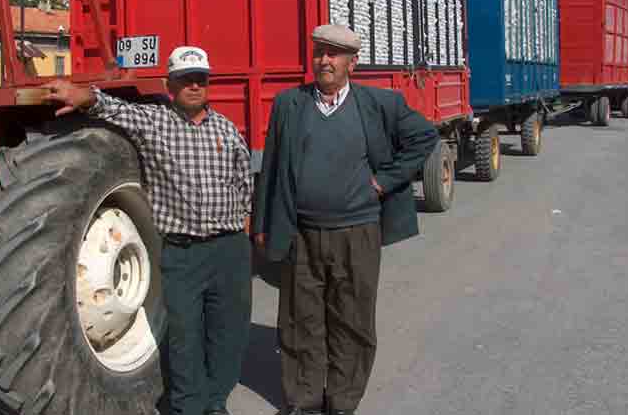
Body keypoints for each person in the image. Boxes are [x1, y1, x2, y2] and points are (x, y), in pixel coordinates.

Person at [43, 46, 253, 415]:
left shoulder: (226, 129)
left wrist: (243, 230)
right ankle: (188, 407)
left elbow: (242, 183)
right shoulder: (155, 122)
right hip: (183, 253)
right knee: (185, 338)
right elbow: (114, 109)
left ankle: (216, 402)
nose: (194, 85)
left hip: (229, 250)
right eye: (186, 79)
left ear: (208, 83)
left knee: (228, 334)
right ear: (170, 84)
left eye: (200, 79)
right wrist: (85, 95)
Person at [252, 24, 439, 415]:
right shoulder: (290, 104)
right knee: (301, 320)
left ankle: (342, 401)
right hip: (302, 231)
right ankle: (304, 401)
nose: (324, 60)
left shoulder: (378, 104)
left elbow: (424, 137)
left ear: (351, 63)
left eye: (334, 54)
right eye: (319, 52)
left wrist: (384, 181)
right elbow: (271, 167)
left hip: (358, 233)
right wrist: (263, 223)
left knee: (351, 320)